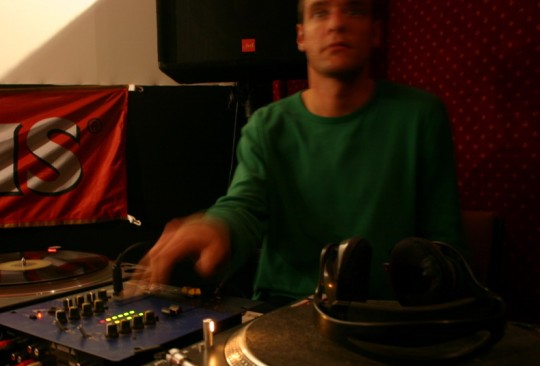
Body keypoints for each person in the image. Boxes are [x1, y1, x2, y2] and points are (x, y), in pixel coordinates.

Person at [140, 0, 466, 304]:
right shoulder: (267, 125)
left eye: (353, 10)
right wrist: (217, 227)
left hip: (386, 316)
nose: (336, 23)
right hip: (283, 310)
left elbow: (445, 243)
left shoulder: (421, 116)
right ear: (301, 37)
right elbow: (244, 207)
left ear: (376, 33)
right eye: (320, 13)